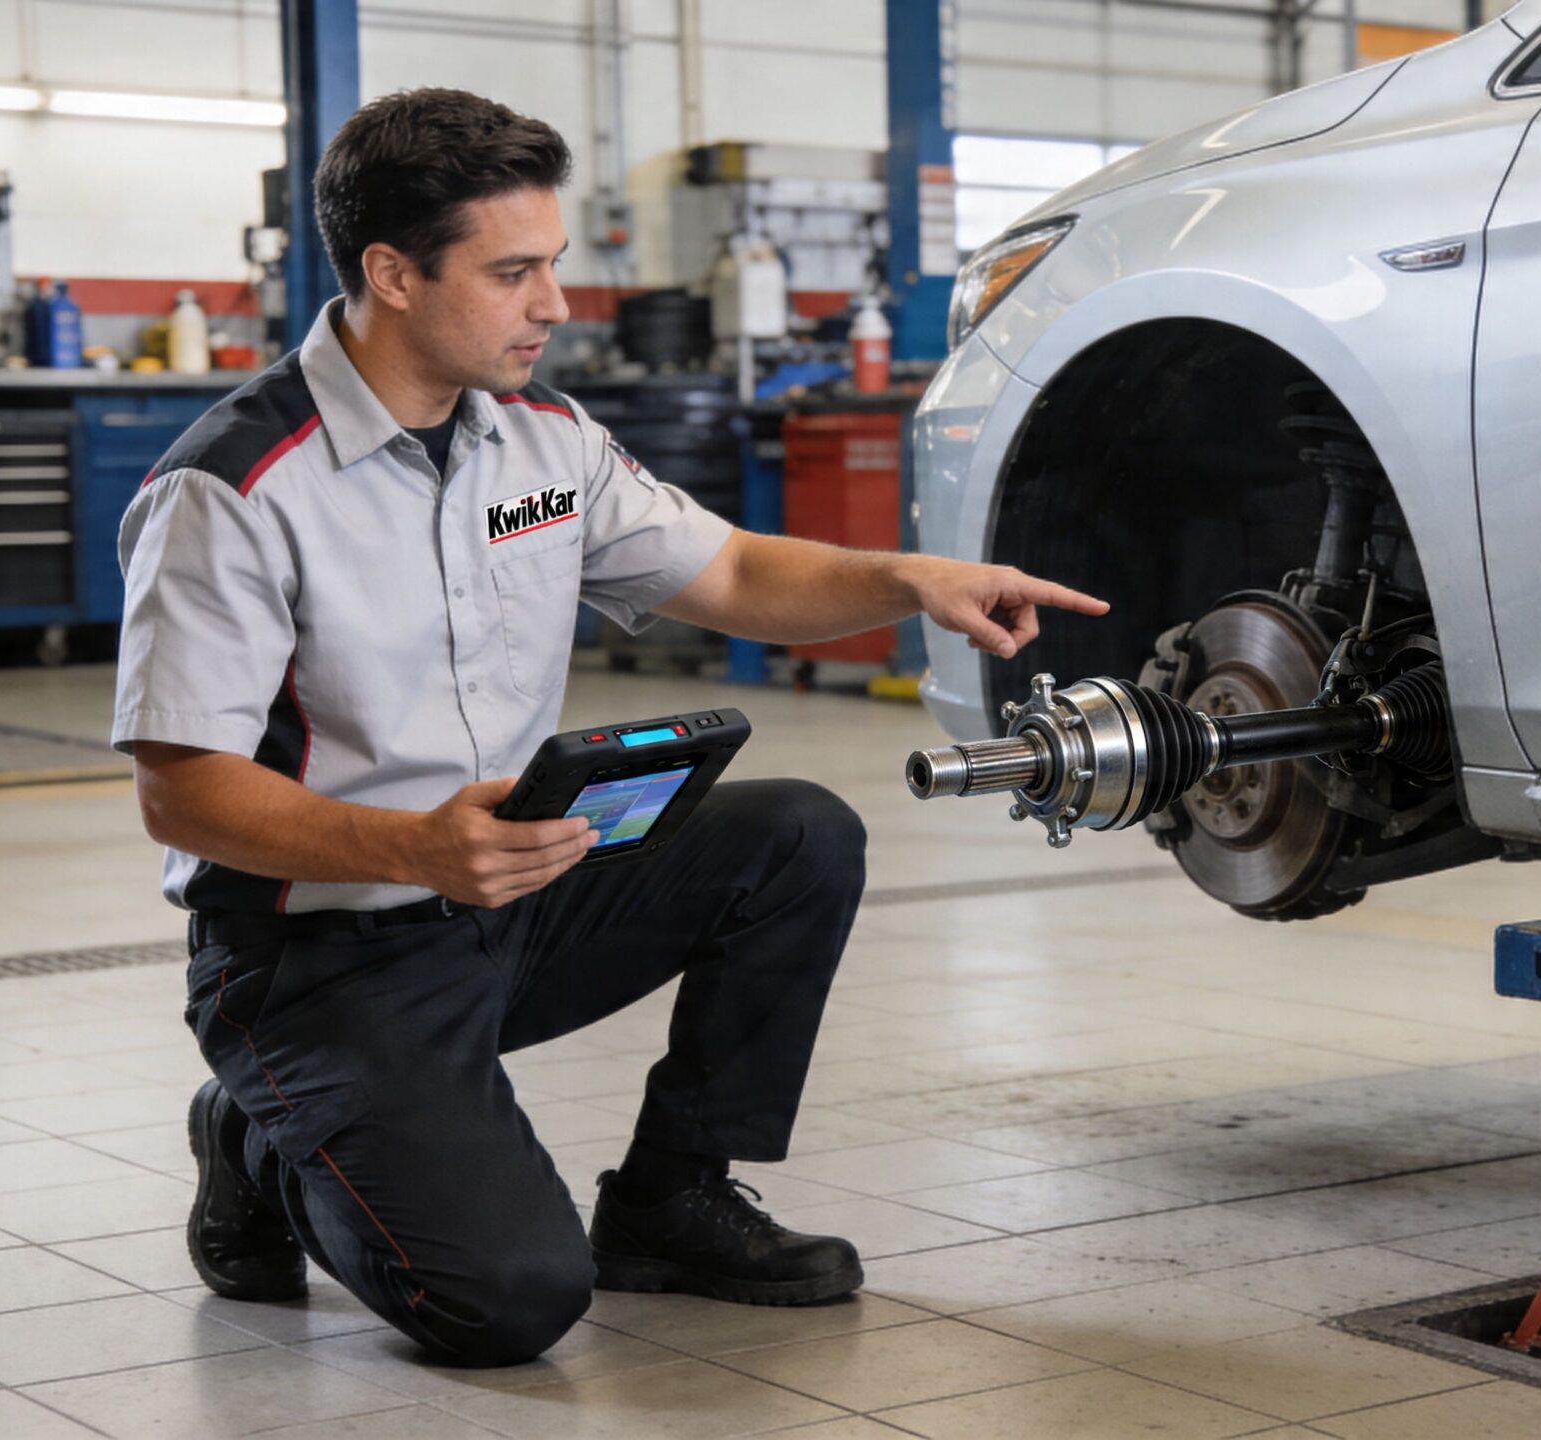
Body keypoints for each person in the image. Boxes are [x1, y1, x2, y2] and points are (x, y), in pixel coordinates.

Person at [111, 87, 1107, 1367]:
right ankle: (259, 1132)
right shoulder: (234, 488)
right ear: (391, 275)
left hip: (510, 892)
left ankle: (669, 1201)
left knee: (795, 835)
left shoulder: (546, 445)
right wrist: (413, 848)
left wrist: (907, 580)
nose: (555, 305)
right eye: (514, 271)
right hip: (316, 953)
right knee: (509, 1303)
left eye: (553, 267)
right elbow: (182, 794)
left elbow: (737, 575)